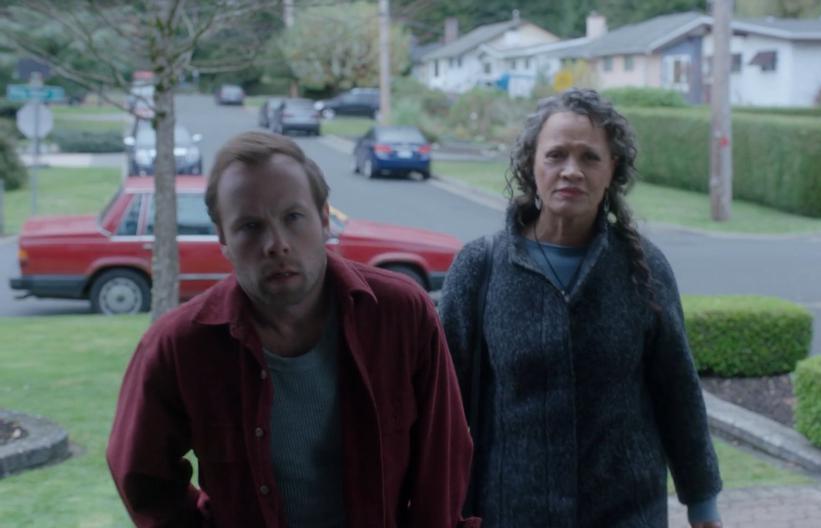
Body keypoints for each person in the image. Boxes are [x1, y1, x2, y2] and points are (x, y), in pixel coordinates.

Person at [107, 131, 479, 528]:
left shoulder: (401, 315)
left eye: (293, 217)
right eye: (250, 226)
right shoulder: (179, 346)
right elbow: (142, 476)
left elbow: (442, 459)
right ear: (223, 240)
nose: (276, 244)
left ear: (323, 220)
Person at [438, 88, 723, 527]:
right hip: (510, 512)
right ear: (532, 166)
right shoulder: (480, 267)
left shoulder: (643, 269)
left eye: (589, 158)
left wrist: (702, 504)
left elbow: (678, 391)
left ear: (612, 171)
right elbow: (441, 401)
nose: (571, 171)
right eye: (556, 156)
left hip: (627, 512)